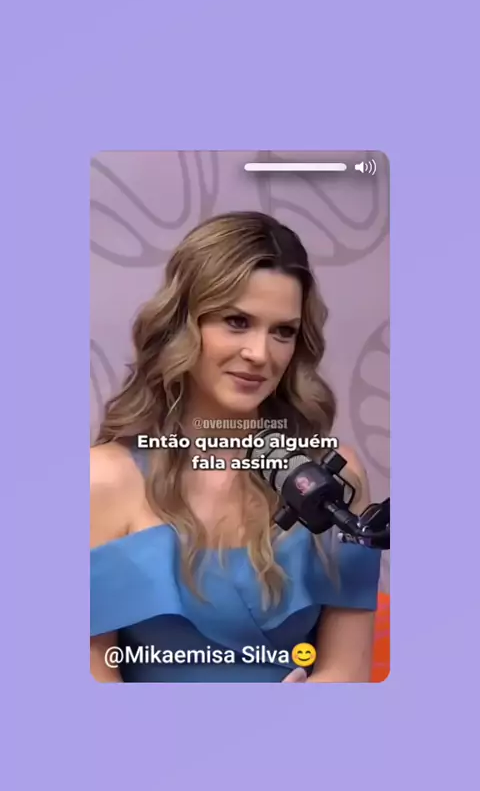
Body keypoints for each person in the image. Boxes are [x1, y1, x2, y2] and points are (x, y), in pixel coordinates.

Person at [90, 211, 381, 682]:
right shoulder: (102, 480)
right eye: (237, 321)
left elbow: (348, 670)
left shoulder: (336, 478)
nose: (260, 354)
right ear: (182, 325)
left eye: (283, 331)